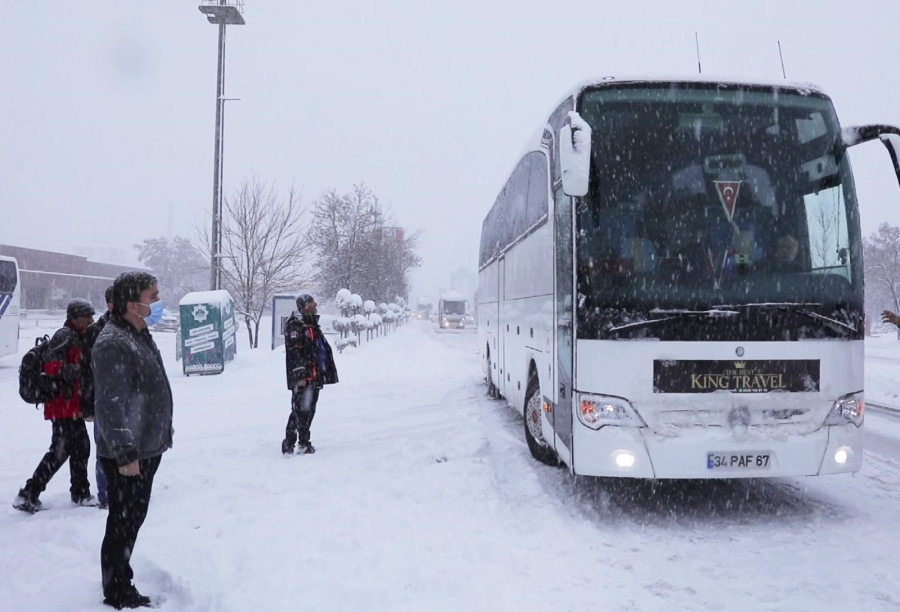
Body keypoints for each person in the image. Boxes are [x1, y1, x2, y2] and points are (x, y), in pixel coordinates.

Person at [92, 272, 173, 609]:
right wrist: (125, 454)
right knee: (123, 523)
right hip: (129, 454)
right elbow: (110, 405)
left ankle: (119, 577)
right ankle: (118, 590)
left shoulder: (137, 334)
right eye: (152, 297)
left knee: (131, 519)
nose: (156, 303)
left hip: (146, 445)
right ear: (131, 304)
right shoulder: (114, 343)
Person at [13, 298, 96, 513]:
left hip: (69, 405)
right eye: (87, 316)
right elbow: (52, 366)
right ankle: (30, 493)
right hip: (62, 405)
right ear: (76, 317)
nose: (91, 320)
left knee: (76, 449)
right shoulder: (64, 335)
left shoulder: (74, 336)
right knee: (62, 451)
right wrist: (77, 370)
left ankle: (79, 493)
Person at [283, 294, 338, 455]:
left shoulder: (311, 323)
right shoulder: (296, 325)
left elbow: (319, 348)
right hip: (303, 377)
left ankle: (304, 442)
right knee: (299, 409)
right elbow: (294, 352)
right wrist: (300, 376)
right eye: (312, 303)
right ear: (305, 306)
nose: (316, 305)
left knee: (309, 409)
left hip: (315, 375)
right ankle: (289, 443)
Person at [83, 285, 114, 510]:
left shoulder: (133, 327)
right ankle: (106, 495)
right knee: (104, 449)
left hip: (129, 402)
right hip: (102, 401)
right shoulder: (96, 332)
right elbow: (86, 371)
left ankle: (128, 491)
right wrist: (88, 405)